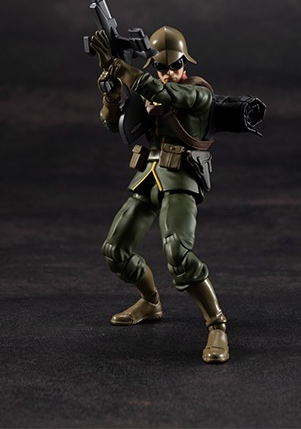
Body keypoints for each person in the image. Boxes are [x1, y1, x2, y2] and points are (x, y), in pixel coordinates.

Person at [89, 25, 229, 364]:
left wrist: (122, 68)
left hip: (181, 180)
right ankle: (150, 302)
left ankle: (217, 324)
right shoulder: (148, 91)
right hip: (148, 177)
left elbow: (168, 95)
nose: (168, 73)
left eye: (175, 65)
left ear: (185, 63)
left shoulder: (198, 92)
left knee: (177, 253)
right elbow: (113, 124)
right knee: (115, 250)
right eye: (161, 67)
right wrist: (111, 94)